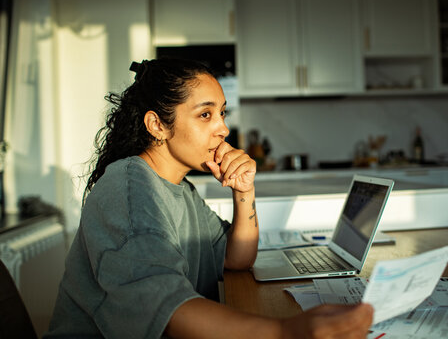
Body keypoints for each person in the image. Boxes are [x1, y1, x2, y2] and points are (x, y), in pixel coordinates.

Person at [45, 58, 374, 338]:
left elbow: (236, 257)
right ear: (157, 125)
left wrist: (244, 190)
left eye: (222, 113)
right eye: (205, 115)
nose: (223, 129)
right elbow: (166, 308)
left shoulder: (178, 188)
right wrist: (285, 331)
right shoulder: (130, 187)